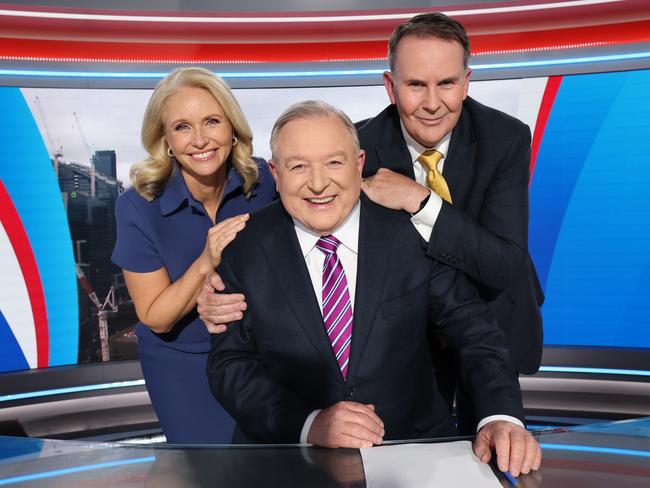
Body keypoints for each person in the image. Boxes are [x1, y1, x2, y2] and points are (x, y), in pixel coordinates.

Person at [207, 100, 541, 477]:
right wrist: (309, 423)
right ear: (275, 173)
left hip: (411, 454)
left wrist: (499, 417)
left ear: (359, 163)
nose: (318, 183)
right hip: (288, 461)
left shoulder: (411, 231)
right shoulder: (244, 246)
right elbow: (230, 364)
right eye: (298, 166)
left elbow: (475, 329)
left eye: (334, 162)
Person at [357, 12, 545, 432]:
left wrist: (418, 200)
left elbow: (502, 263)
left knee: (495, 452)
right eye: (415, 84)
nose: (431, 102)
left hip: (493, 320)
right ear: (390, 86)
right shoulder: (358, 147)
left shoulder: (506, 137)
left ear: (466, 82)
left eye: (446, 83)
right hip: (408, 341)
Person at [111, 67, 276, 443]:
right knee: (211, 473)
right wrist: (206, 260)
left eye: (212, 121)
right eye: (183, 127)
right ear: (165, 138)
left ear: (232, 127)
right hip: (184, 365)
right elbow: (156, 318)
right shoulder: (138, 206)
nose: (200, 140)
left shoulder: (264, 181)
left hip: (264, 354)